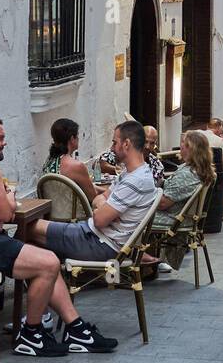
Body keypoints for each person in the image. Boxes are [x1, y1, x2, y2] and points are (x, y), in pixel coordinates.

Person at [0, 115, 118, 357]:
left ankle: (76, 329)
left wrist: (4, 194)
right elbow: (6, 214)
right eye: (0, 138)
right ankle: (31, 335)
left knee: (43, 257)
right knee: (49, 263)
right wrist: (9, 193)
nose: (4, 143)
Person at [32, 121, 157, 311]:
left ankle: (45, 313)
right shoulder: (129, 175)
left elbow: (99, 218)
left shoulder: (135, 180)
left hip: (99, 243)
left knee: (26, 231)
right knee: (34, 245)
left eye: (114, 142)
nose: (112, 147)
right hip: (90, 233)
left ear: (126, 144)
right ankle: (46, 310)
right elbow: (97, 200)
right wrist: (104, 206)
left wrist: (103, 207)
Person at [150, 130, 215, 233]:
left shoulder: (187, 175)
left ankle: (133, 247)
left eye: (183, 142)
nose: (181, 146)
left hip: (172, 218)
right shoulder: (198, 169)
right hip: (182, 216)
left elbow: (162, 203)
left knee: (131, 214)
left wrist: (141, 195)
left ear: (190, 148)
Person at [41, 118, 107, 204]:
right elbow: (93, 197)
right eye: (77, 136)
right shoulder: (76, 166)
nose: (78, 139)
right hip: (77, 216)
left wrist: (107, 190)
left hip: (51, 213)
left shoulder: (49, 161)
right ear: (72, 139)